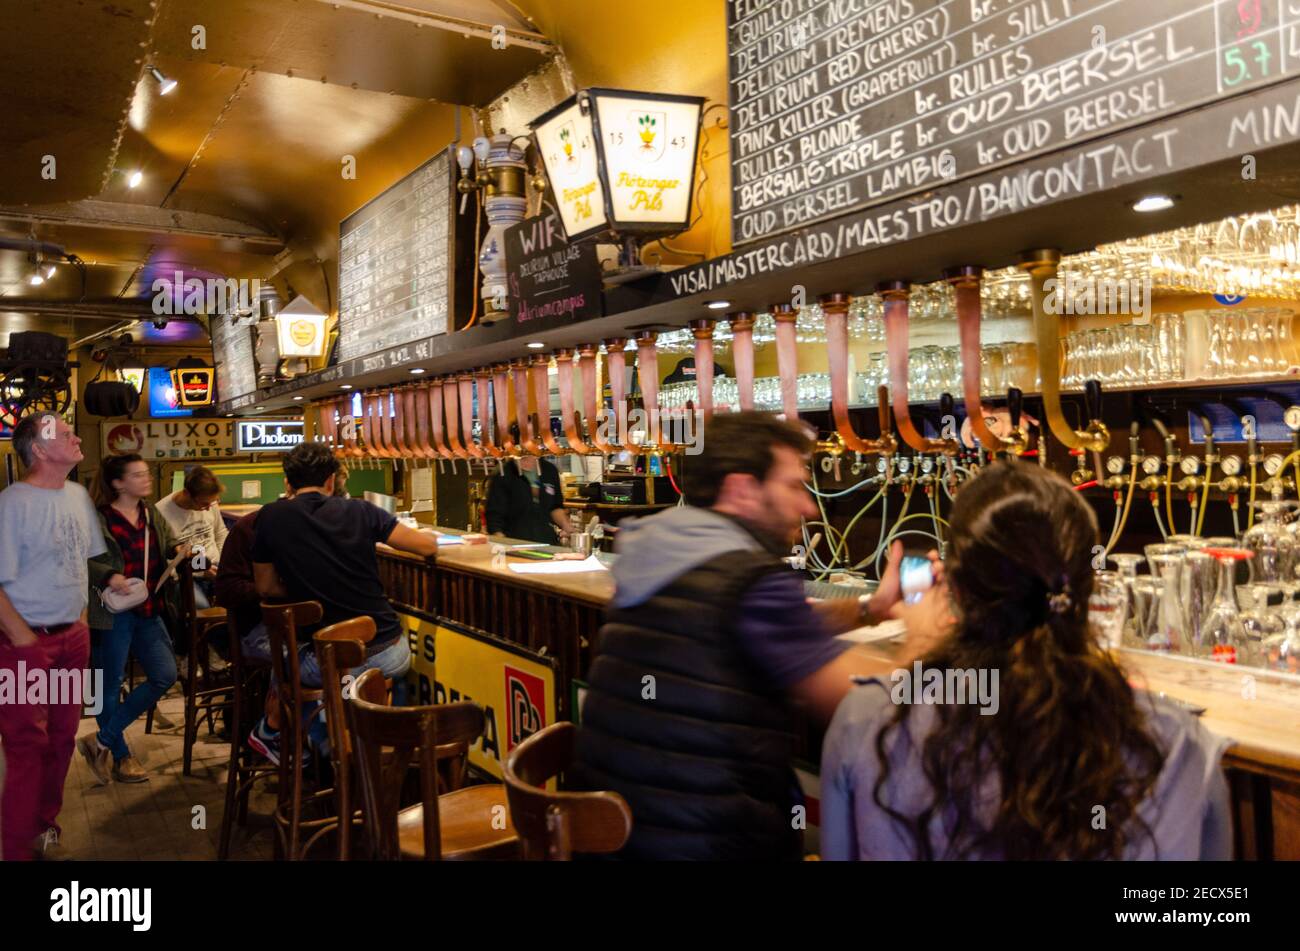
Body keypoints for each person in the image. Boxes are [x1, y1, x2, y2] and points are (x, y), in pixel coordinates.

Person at [820, 462, 1233, 860]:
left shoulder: (866, 720)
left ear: (958, 592)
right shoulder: (1179, 743)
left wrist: (921, 650)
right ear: (1088, 594)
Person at [569, 412, 928, 860]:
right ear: (742, 489)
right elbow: (870, 708)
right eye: (794, 486)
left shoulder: (662, 550)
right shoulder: (748, 578)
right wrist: (925, 635)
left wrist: (869, 609)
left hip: (617, 838)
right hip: (706, 843)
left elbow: (769, 631)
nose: (809, 506)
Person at [248, 441, 438, 763]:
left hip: (323, 663)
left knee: (289, 660)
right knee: (381, 679)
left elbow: (265, 586)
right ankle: (383, 758)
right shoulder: (362, 511)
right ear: (331, 481)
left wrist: (303, 586)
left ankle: (318, 746)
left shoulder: (271, 516)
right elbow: (427, 547)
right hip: (387, 655)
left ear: (288, 483)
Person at [0, 412, 106, 860]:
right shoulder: (11, 503)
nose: (76, 436)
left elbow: (79, 562)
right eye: (64, 434)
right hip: (25, 645)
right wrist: (23, 638)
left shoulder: (78, 495)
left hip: (72, 639)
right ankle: (14, 848)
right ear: (39, 450)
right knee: (27, 746)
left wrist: (80, 617)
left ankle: (44, 827)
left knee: (62, 739)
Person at [78, 454, 182, 784]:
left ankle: (101, 741)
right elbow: (78, 556)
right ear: (118, 483)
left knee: (165, 674)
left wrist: (183, 550)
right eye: (138, 475)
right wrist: (109, 575)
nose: (146, 479)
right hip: (111, 614)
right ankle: (122, 756)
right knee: (106, 688)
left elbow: (168, 545)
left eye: (146, 473)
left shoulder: (151, 514)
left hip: (148, 610)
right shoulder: (97, 518)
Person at [156, 465, 228, 609]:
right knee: (202, 607)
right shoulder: (161, 513)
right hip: (186, 577)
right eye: (203, 504)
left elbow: (220, 533)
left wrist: (224, 562)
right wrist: (202, 571)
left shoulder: (209, 502)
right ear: (187, 493)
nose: (208, 508)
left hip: (216, 566)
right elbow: (168, 559)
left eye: (212, 503)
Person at [485, 453, 573, 544]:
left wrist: (565, 525)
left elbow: (555, 507)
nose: (528, 460)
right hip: (514, 540)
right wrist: (501, 541)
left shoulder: (549, 470)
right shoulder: (503, 473)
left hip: (546, 540)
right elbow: (494, 514)